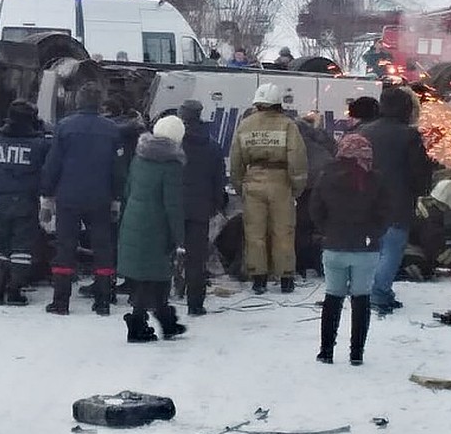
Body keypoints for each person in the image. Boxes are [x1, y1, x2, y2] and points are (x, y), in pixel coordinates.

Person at [42, 82, 125, 316]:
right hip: (100, 197)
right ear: (99, 103)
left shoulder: (65, 127)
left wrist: (47, 194)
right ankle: (103, 301)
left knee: (65, 247)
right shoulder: (111, 129)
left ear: (78, 101)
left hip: (68, 196)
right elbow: (117, 168)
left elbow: (53, 163)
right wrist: (116, 197)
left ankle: (61, 302)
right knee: (103, 249)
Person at [310, 133, 387, 366]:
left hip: (334, 247)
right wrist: (372, 234)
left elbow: (315, 210)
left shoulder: (326, 176)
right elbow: (385, 214)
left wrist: (328, 231)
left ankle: (326, 351)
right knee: (361, 299)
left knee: (333, 298)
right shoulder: (376, 179)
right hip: (365, 250)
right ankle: (356, 353)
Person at [359, 87, 432, 314]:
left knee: (374, 250)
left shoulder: (365, 131)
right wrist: (423, 189)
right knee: (392, 250)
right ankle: (379, 294)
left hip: (367, 200)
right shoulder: (409, 135)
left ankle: (378, 290)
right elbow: (419, 170)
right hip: (397, 201)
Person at [230, 83, 308, 294]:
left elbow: (236, 160)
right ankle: (286, 278)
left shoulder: (245, 125)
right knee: (283, 231)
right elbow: (297, 158)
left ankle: (258, 278)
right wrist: (297, 186)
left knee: (254, 232)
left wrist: (239, 186)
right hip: (281, 182)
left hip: (253, 181)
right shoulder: (288, 125)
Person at [117, 115, 187, 342]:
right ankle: (143, 323)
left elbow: (127, 191)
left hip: (134, 220)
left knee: (146, 276)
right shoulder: (171, 165)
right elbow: (173, 205)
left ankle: (162, 321)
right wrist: (179, 237)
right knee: (156, 277)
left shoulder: (140, 156)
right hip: (156, 227)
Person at [78, 96, 146, 300]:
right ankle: (132, 281)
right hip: (132, 190)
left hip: (109, 192)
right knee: (129, 240)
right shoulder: (136, 132)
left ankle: (106, 282)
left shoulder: (107, 132)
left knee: (107, 241)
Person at [0, 100, 51, 306]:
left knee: (1, 247)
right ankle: (15, 291)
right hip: (26, 199)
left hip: (2, 198)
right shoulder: (38, 143)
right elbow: (46, 162)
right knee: (22, 248)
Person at [178, 99, 226, 316]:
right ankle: (195, 303)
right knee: (196, 259)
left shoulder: (172, 142)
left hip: (173, 206)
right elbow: (219, 180)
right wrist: (216, 204)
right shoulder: (212, 145)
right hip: (200, 208)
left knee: (164, 251)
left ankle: (158, 297)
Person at [294, 112, 336, 277]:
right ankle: (320, 264)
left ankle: (302, 264)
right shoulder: (321, 135)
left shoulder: (295, 136)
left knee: (302, 225)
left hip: (306, 184)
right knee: (321, 225)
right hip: (327, 182)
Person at [407, 178, 451, 281]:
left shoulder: (425, 207)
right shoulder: (432, 216)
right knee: (425, 271)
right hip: (410, 254)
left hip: (407, 248)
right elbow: (436, 246)